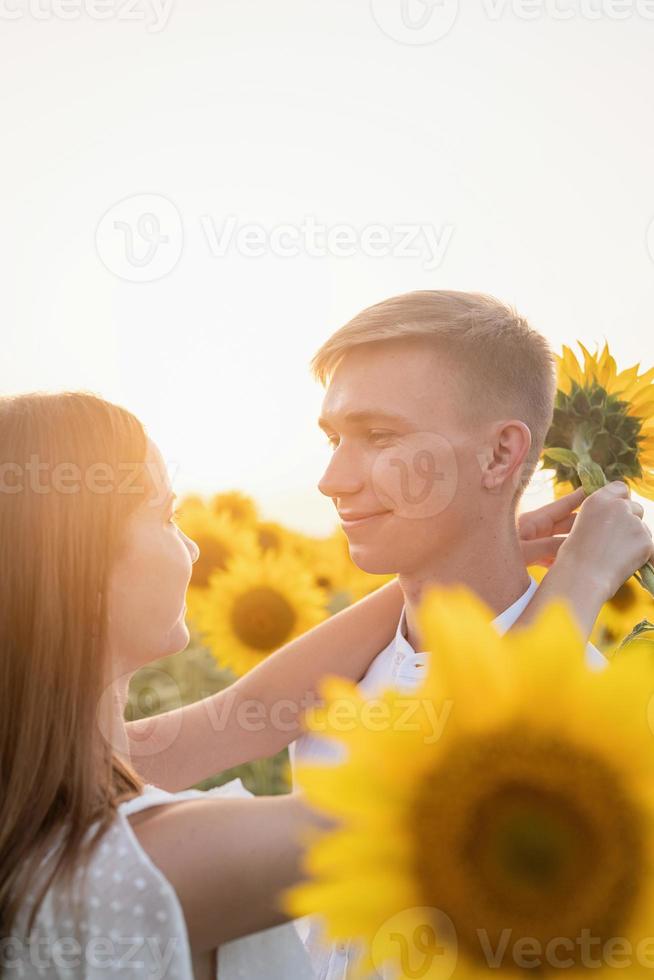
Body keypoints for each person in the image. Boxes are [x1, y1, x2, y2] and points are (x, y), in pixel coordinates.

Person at [0, 391, 650, 979]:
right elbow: (449, 802)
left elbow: (250, 710)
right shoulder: (147, 863)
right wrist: (584, 577)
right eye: (166, 517)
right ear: (81, 573)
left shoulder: (37, 796)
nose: (193, 550)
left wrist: (476, 552)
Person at [291, 290, 654, 978]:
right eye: (333, 438)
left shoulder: (593, 732)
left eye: (381, 437)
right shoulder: (331, 680)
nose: (330, 479)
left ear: (499, 456)